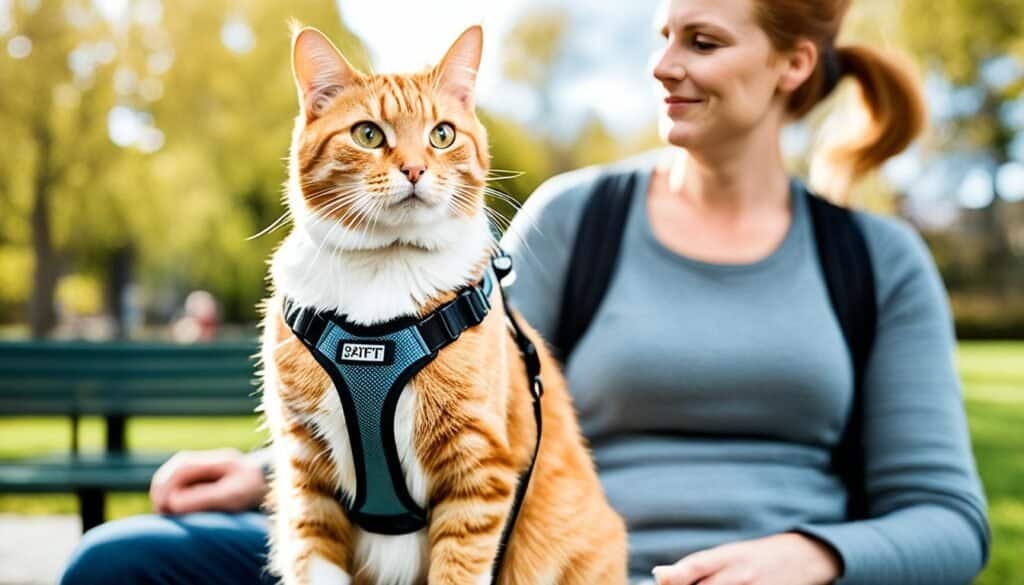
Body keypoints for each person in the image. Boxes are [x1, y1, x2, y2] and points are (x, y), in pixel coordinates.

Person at [60, 0, 990, 583]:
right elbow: (454, 395)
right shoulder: (580, 216)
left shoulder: (877, 262)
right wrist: (267, 470)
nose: (663, 64)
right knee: (123, 562)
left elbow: (948, 522)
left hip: (750, 567)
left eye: (701, 41)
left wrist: (816, 555)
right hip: (521, 554)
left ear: (791, 67)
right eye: (662, 35)